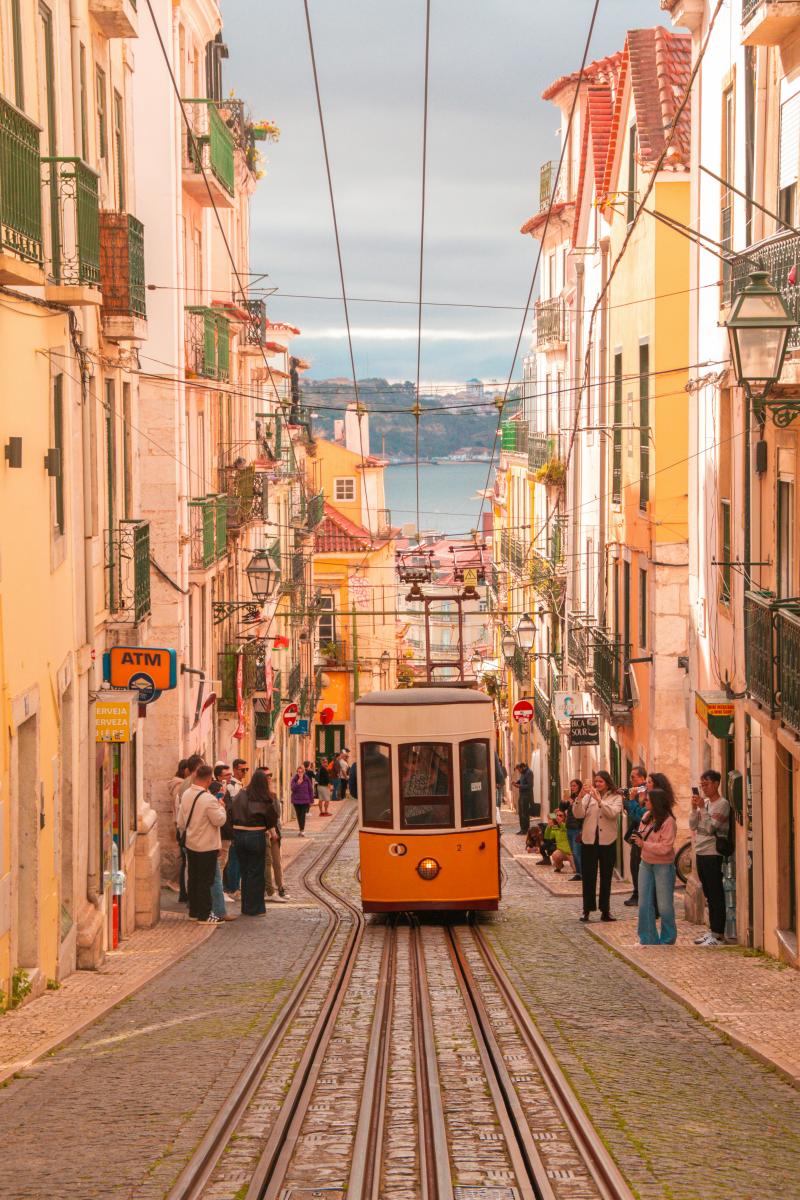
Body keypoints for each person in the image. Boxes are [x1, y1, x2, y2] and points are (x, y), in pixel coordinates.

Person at [177, 764, 227, 923]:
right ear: (208, 779)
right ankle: (205, 915)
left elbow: (180, 821)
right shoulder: (209, 799)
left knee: (194, 878)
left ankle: (194, 912)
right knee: (206, 880)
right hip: (206, 845)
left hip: (191, 843)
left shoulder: (186, 794)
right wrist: (222, 807)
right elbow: (219, 820)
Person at [572, 771, 623, 922]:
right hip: (589, 841)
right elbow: (578, 814)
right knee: (588, 877)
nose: (597, 784)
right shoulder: (588, 797)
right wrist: (579, 797)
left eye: (600, 781)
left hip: (607, 841)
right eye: (596, 781)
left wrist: (600, 800)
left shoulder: (616, 797)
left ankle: (605, 910)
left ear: (607, 782)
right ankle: (586, 909)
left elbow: (613, 813)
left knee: (606, 877)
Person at [689, 769, 731, 947]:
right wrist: (694, 809)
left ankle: (719, 934)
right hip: (700, 852)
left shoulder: (722, 804)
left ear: (715, 784)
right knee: (708, 894)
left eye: (706, 784)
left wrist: (701, 810)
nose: (703, 788)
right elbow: (693, 825)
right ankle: (713, 931)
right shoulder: (704, 804)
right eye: (701, 785)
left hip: (713, 853)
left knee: (715, 894)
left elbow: (711, 828)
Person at [632, 788, 678, 945]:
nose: (645, 802)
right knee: (644, 903)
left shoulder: (669, 822)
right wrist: (638, 838)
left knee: (664, 905)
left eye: (648, 800)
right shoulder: (646, 817)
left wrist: (644, 844)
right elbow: (641, 833)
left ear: (656, 803)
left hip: (663, 866)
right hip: (645, 863)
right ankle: (647, 937)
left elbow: (665, 847)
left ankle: (668, 938)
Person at [232, 768, 279, 916]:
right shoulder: (264, 798)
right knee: (256, 872)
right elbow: (272, 818)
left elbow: (230, 812)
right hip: (255, 836)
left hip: (239, 835)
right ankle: (256, 908)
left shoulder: (240, 795)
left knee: (245, 872)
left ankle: (246, 907)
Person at [623, 765, 648, 907]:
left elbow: (638, 816)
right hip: (638, 833)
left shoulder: (644, 793)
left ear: (642, 778)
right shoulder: (638, 792)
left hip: (643, 835)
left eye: (633, 777)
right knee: (634, 864)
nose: (631, 780)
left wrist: (631, 800)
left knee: (637, 865)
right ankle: (637, 893)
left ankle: (639, 894)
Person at [263, 768, 289, 901]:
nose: (269, 778)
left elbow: (277, 814)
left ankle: (280, 887)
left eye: (270, 775)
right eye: (267, 776)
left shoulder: (273, 795)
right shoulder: (259, 796)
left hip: (275, 832)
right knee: (268, 862)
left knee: (277, 861)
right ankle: (269, 890)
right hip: (266, 833)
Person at [168, 759, 191, 903]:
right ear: (186, 770)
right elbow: (180, 807)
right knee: (183, 860)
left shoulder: (178, 785)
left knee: (183, 859)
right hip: (181, 826)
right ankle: (178, 884)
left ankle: (181, 888)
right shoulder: (180, 786)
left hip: (179, 824)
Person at [565, 779, 583, 881]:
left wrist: (574, 804)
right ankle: (578, 873)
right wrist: (565, 802)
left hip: (577, 828)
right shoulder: (571, 797)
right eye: (571, 786)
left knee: (577, 852)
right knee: (573, 852)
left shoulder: (581, 798)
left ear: (579, 786)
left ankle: (582, 873)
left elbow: (581, 814)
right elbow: (561, 809)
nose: (573, 788)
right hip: (569, 828)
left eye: (575, 786)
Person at [291, 763, 314, 835]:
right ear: (297, 772)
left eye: (301, 772)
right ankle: (301, 829)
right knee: (298, 815)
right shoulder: (294, 779)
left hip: (305, 800)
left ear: (304, 772)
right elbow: (292, 789)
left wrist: (311, 800)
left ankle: (302, 830)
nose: (300, 773)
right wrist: (298, 783)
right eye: (298, 772)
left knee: (302, 815)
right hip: (296, 801)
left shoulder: (307, 779)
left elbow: (310, 790)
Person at [512, 761, 534, 835]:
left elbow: (530, 785)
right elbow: (521, 781)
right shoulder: (523, 773)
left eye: (519, 770)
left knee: (525, 813)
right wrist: (516, 783)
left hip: (527, 796)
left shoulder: (529, 773)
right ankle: (522, 829)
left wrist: (519, 786)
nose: (519, 771)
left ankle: (525, 829)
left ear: (523, 767)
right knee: (521, 813)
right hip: (521, 795)